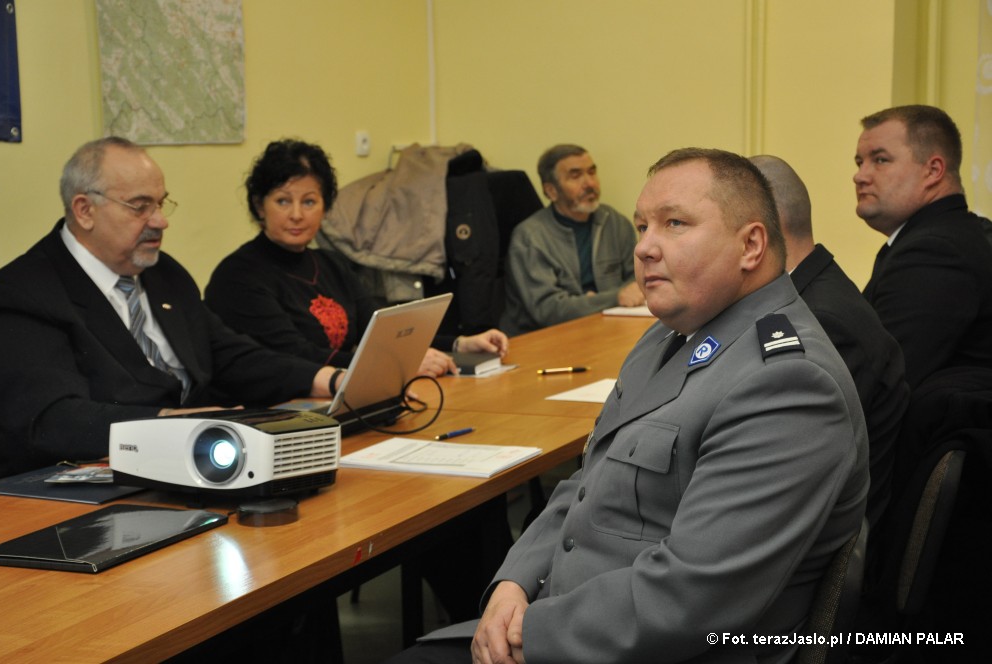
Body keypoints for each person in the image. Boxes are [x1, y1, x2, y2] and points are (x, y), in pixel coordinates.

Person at [388, 148, 869, 664]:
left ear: (751, 245)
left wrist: (532, 630)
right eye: (642, 227)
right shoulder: (667, 339)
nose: (644, 248)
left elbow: (693, 598)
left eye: (674, 224)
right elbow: (588, 483)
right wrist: (515, 581)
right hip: (576, 616)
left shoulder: (788, 383)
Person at [0, 137, 341, 480]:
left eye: (160, 204)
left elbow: (227, 354)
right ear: (85, 211)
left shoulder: (163, 273)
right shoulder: (25, 292)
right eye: (140, 206)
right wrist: (176, 424)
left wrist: (332, 380)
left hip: (199, 470)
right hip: (84, 492)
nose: (160, 221)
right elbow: (54, 420)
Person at [205, 139, 508, 377]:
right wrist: (397, 365)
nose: (297, 215)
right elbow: (296, 355)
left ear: (325, 207)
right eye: (283, 201)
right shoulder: (238, 276)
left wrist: (460, 345)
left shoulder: (330, 263)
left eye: (309, 201)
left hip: (336, 393)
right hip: (279, 409)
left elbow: (379, 330)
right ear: (260, 207)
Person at [750, 154, 908, 534]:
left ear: (759, 230)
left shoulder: (817, 320)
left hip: (821, 549)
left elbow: (779, 473)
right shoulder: (812, 292)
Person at [854, 104, 992, 391]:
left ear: (933, 170)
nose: (860, 176)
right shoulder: (950, 235)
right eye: (859, 162)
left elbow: (885, 384)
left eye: (880, 160)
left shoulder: (936, 252)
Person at [501, 144, 642, 335]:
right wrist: (613, 298)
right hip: (545, 338)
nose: (589, 183)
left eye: (592, 173)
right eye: (576, 176)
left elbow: (639, 279)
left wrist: (589, 302)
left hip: (606, 328)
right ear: (551, 191)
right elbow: (548, 310)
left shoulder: (615, 223)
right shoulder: (530, 238)